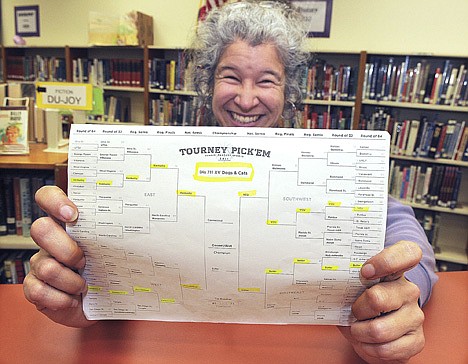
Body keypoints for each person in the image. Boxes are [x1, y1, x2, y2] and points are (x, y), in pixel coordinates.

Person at [23, 2, 438, 363]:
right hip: (174, 349)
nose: (245, 98)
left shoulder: (322, 161)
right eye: (231, 76)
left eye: (267, 80)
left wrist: (404, 294)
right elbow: (94, 244)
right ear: (207, 85)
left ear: (288, 91)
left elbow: (404, 233)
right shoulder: (153, 159)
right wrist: (77, 266)